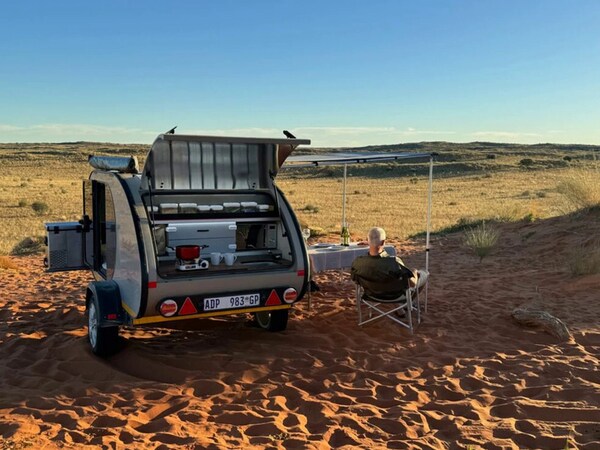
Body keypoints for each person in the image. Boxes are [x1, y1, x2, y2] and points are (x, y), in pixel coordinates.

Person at [351, 227, 428, 299]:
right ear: (383, 242)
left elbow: (355, 280)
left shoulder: (358, 263)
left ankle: (402, 307)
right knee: (424, 273)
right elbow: (412, 283)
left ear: (368, 241)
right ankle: (407, 302)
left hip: (371, 295)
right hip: (395, 296)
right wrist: (414, 272)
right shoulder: (394, 262)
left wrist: (372, 243)